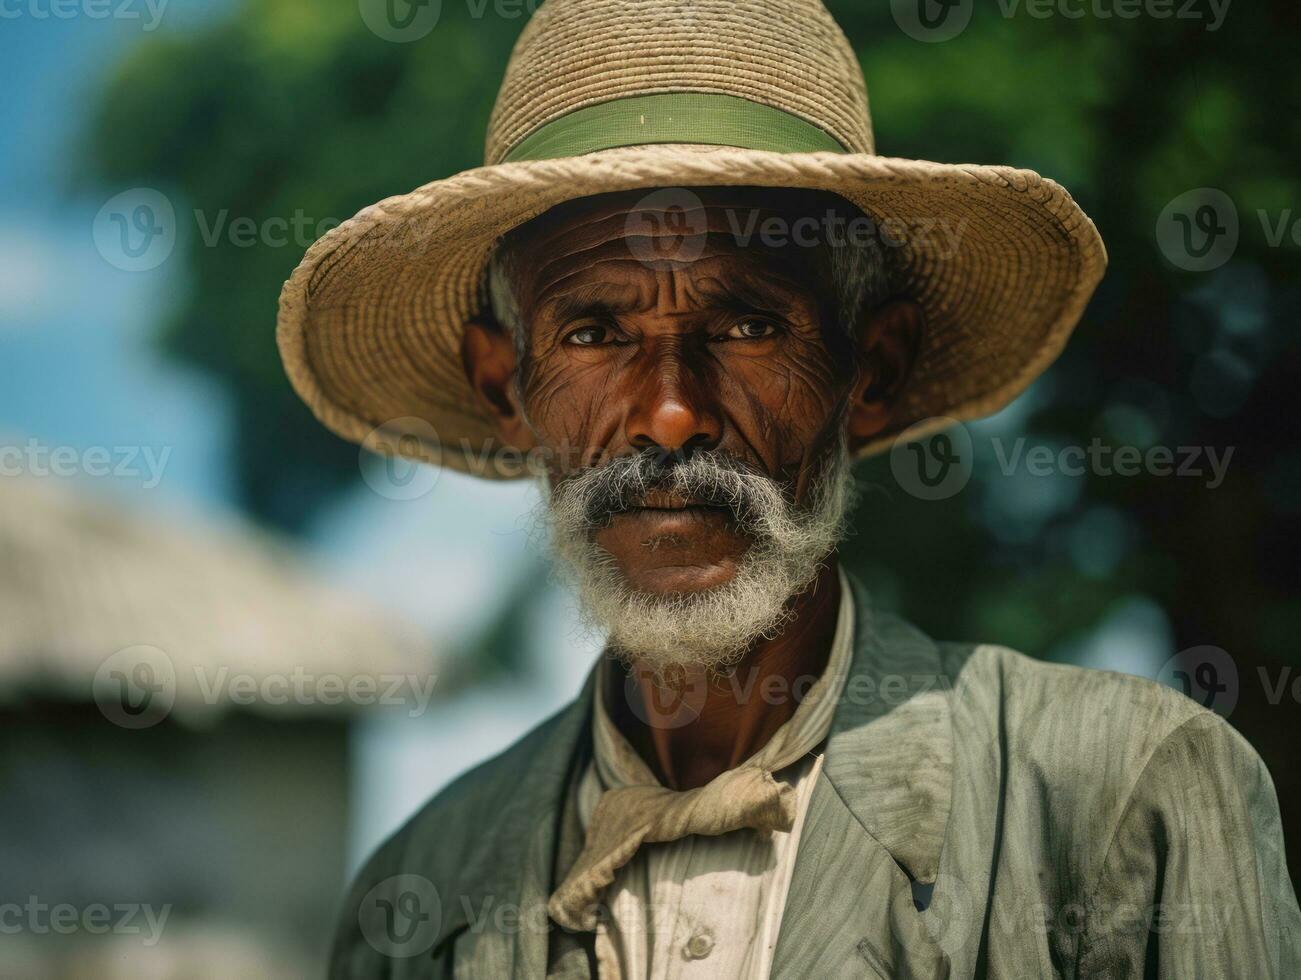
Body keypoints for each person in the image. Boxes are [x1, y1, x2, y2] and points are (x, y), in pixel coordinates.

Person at [276, 0, 1299, 976]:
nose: (669, 415)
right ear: (506, 387)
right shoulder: (418, 896)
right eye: (593, 334)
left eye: (746, 325)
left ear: (873, 368)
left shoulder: (1123, 795)